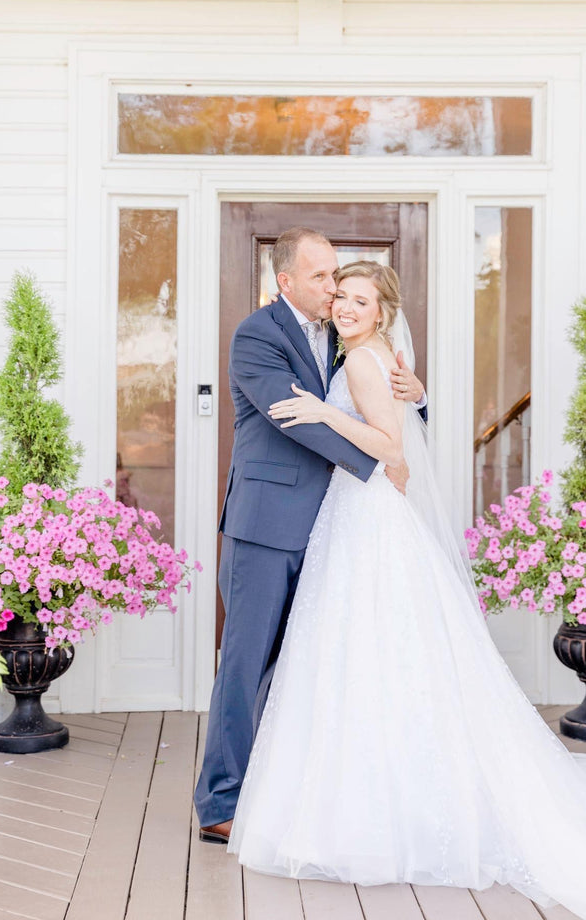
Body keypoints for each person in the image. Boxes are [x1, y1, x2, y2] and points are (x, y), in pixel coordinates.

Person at [228, 261, 586, 920]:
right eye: (340, 296)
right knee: (367, 660)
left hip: (368, 519)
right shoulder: (367, 357)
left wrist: (323, 410)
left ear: (381, 311)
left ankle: (379, 817)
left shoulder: (367, 363)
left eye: (359, 300)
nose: (345, 307)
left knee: (371, 655)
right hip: (352, 516)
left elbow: (388, 446)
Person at [194, 229, 426, 843]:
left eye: (337, 279)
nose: (333, 290)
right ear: (285, 282)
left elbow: (383, 398)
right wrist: (381, 461)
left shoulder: (346, 337)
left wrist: (414, 400)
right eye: (322, 278)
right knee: (246, 665)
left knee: (303, 667)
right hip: (266, 527)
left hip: (333, 528)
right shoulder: (257, 336)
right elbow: (291, 414)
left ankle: (280, 788)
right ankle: (220, 801)